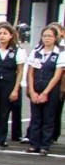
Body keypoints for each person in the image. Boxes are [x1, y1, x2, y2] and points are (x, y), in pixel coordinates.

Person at [26, 26, 65, 155]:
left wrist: (45, 93)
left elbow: (57, 75)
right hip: (36, 87)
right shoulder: (36, 52)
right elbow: (31, 72)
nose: (47, 38)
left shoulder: (60, 53)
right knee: (35, 118)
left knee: (48, 118)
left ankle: (45, 145)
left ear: (55, 38)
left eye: (50, 36)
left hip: (51, 90)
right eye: (45, 36)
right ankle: (34, 144)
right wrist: (32, 91)